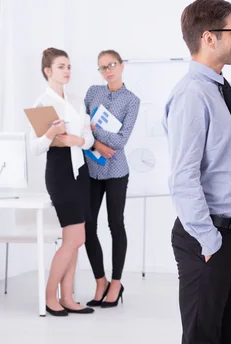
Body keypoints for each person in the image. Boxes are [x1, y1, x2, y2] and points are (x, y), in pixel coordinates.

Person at [162, 0, 231, 344]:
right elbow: (183, 176)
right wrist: (209, 240)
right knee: (203, 337)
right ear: (208, 38)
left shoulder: (228, 90)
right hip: (210, 240)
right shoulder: (192, 95)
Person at [29, 47, 95, 316]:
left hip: (81, 171)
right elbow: (35, 148)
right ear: (48, 71)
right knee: (73, 238)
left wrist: (77, 139)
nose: (67, 71)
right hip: (59, 172)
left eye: (69, 66)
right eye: (61, 67)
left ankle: (67, 296)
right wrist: (52, 134)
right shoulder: (42, 104)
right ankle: (49, 296)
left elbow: (89, 140)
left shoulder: (77, 100)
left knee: (77, 240)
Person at [83, 50, 140, 308]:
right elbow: (81, 129)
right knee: (87, 227)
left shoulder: (132, 100)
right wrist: (95, 141)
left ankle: (116, 283)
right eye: (103, 67)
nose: (108, 70)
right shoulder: (92, 93)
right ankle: (100, 281)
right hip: (92, 167)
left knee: (115, 224)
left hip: (117, 171)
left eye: (112, 65)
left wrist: (97, 131)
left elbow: (121, 140)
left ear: (122, 66)